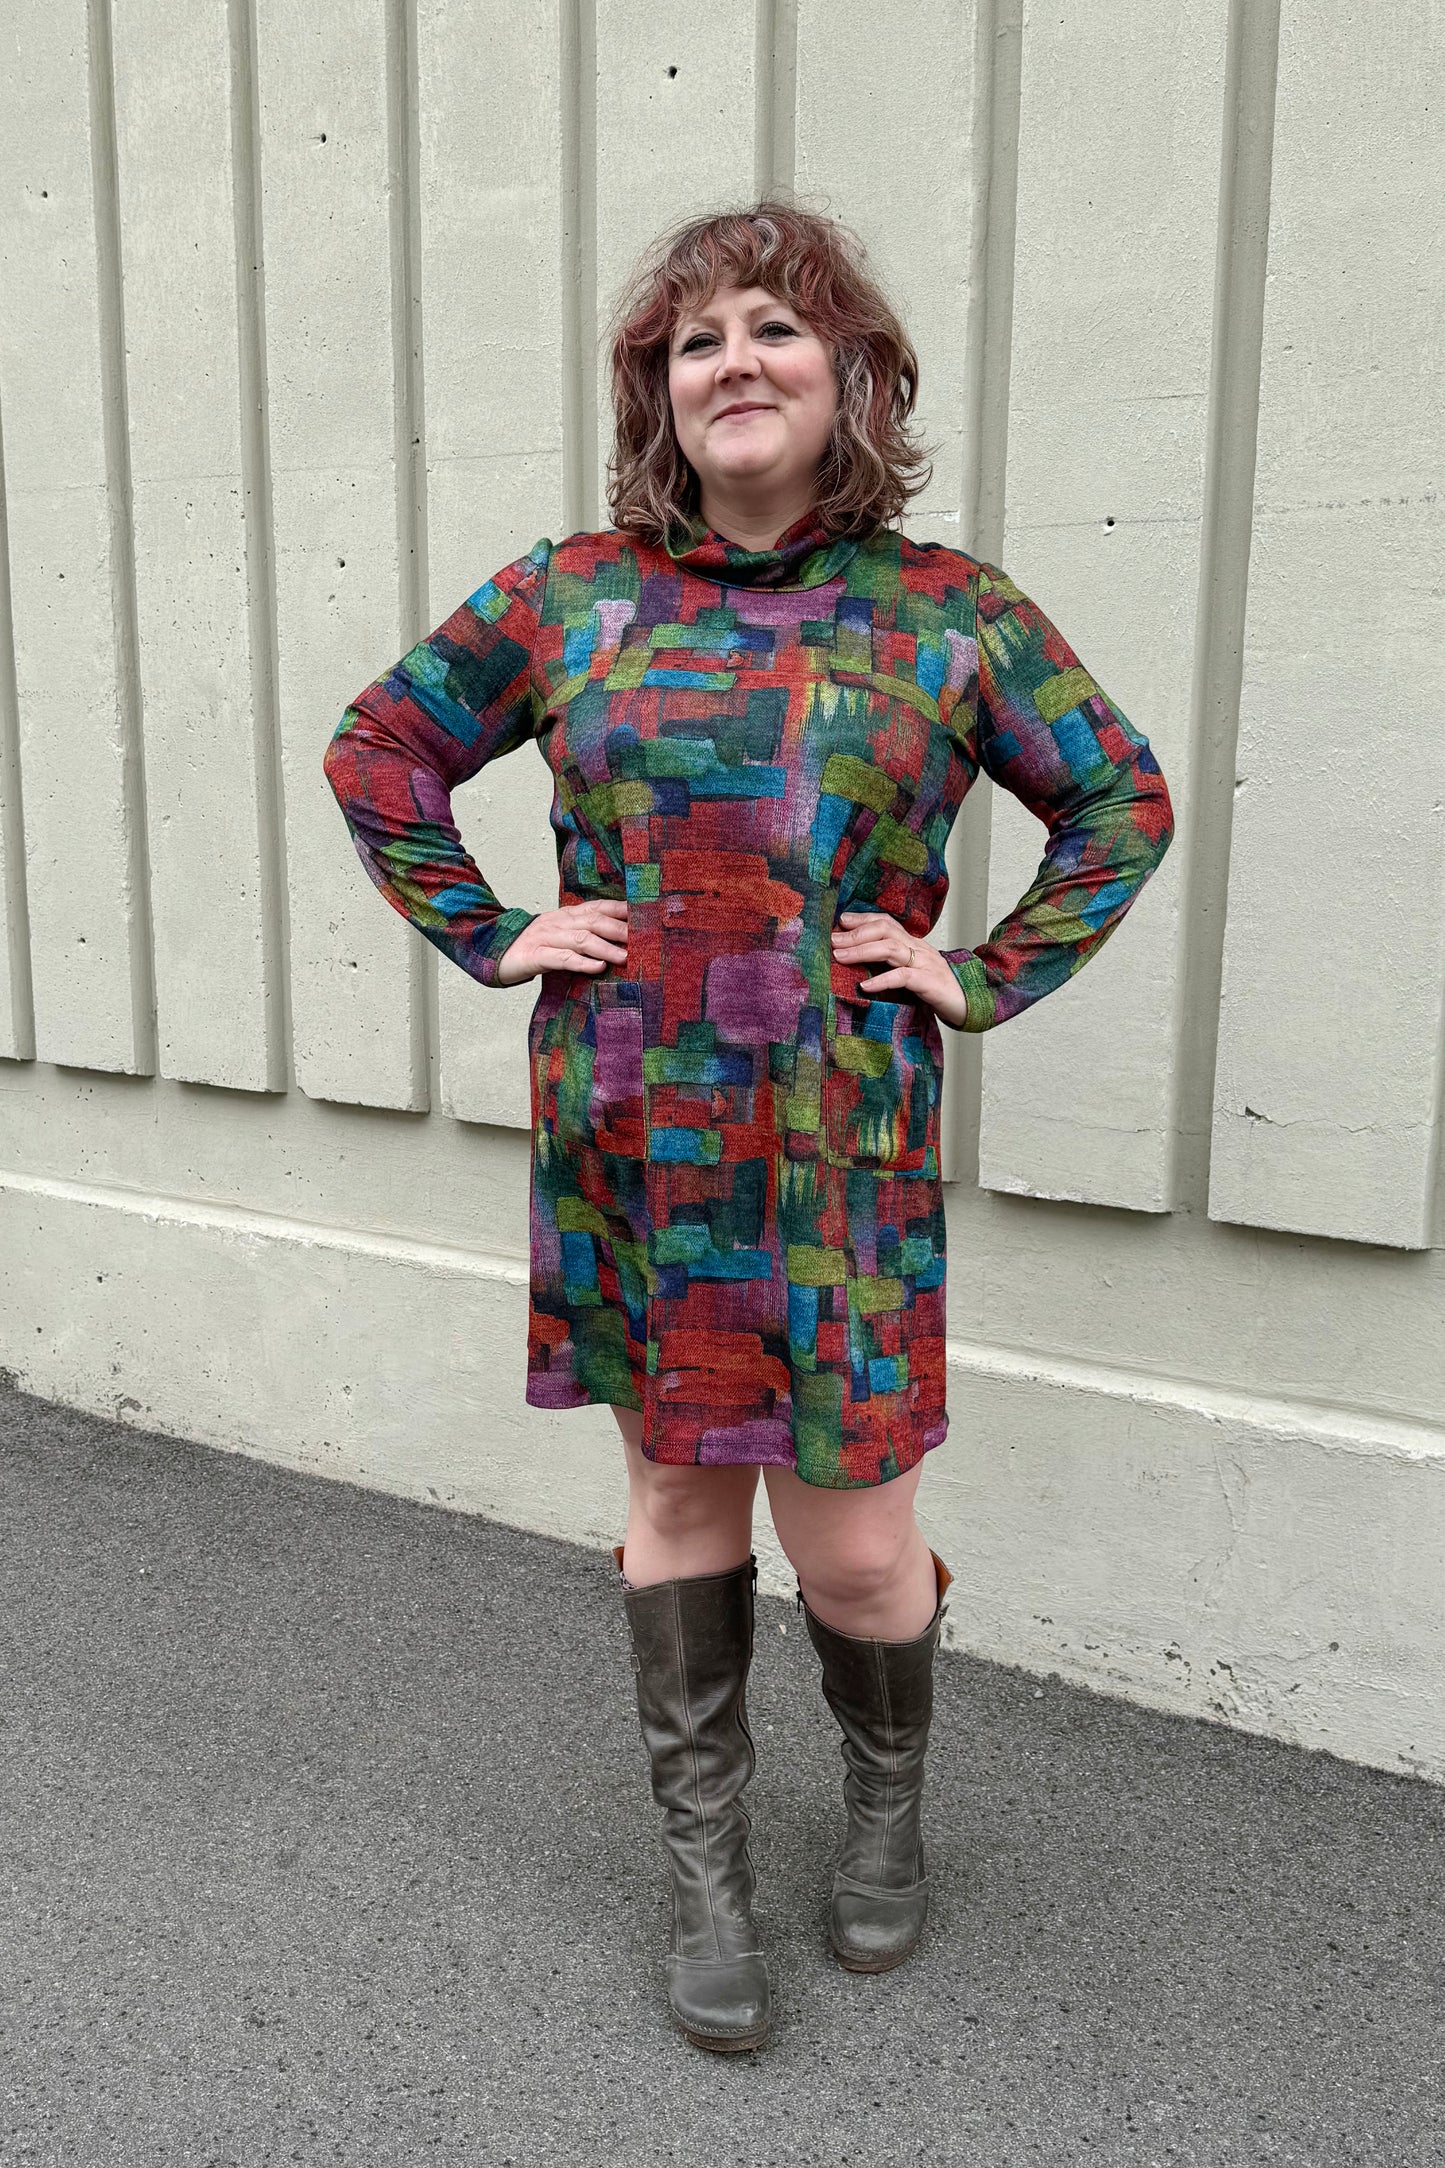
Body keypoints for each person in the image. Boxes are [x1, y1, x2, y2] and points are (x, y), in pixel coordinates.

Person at [322, 199, 1174, 2055]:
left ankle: (883, 1811)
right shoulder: (570, 596)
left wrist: (981, 968)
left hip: (832, 1152)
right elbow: (382, 746)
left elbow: (1116, 798)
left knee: (857, 1545)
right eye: (697, 340)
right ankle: (703, 1874)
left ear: (850, 374)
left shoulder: (945, 615)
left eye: (776, 332)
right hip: (635, 1136)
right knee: (674, 1495)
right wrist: (488, 926)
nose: (737, 365)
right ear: (660, 392)